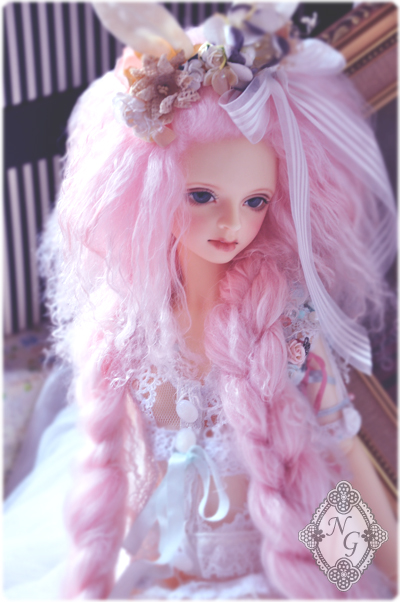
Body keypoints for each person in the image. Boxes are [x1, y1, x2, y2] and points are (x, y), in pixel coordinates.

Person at [4, 3, 397, 599]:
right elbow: (120, 465)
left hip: (271, 572)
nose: (232, 223)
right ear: (152, 191)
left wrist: (383, 574)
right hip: (161, 570)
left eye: (255, 201)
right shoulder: (128, 328)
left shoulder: (288, 326)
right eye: (202, 195)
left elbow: (338, 454)